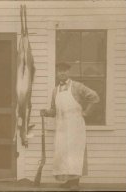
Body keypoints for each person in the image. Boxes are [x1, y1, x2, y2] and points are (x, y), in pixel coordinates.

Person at [40, 62, 100, 190]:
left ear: (69, 72)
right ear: (57, 73)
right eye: (60, 71)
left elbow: (94, 97)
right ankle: (68, 181)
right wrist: (46, 112)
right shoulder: (55, 90)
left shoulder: (78, 87)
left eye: (65, 70)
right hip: (61, 126)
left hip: (75, 125)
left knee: (75, 152)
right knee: (62, 153)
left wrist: (86, 112)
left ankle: (75, 183)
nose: (62, 73)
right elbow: (54, 110)